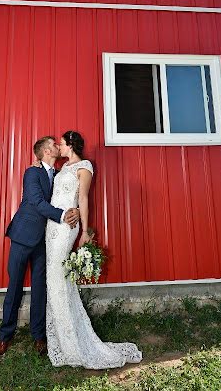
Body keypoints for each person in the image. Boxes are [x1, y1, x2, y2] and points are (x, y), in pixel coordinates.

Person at [44, 130, 142, 368]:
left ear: (71, 145)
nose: (59, 147)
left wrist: (85, 231)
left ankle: (73, 344)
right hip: (51, 226)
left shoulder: (84, 166)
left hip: (68, 226)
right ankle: (60, 337)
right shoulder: (61, 169)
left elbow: (84, 198)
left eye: (62, 144)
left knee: (58, 277)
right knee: (54, 279)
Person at [0, 136, 80, 356]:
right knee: (14, 288)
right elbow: (37, 202)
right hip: (23, 237)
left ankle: (39, 336)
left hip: (44, 241)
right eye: (53, 144)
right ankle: (5, 336)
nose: (56, 146)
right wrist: (63, 215)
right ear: (45, 152)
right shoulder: (32, 172)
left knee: (40, 289)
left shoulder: (59, 174)